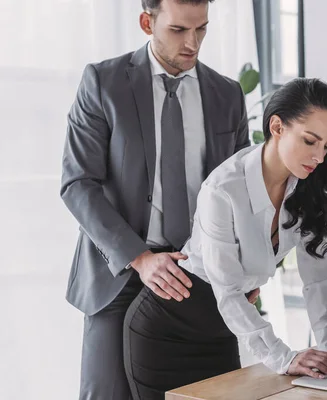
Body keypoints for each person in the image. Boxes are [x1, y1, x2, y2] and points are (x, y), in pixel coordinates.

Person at [123, 77, 327, 399]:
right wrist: (285, 357)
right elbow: (228, 290)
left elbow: (319, 280)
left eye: (326, 146)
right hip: (166, 330)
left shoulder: (308, 188)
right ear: (277, 127)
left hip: (221, 330)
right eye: (310, 141)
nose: (320, 156)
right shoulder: (222, 190)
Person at [60, 0, 252, 398]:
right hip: (119, 273)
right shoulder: (103, 82)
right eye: (179, 30)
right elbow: (78, 183)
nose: (193, 43)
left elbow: (241, 193)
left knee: (209, 394)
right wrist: (141, 258)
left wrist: (245, 268)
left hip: (197, 273)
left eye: (201, 29)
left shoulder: (227, 94)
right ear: (147, 22)